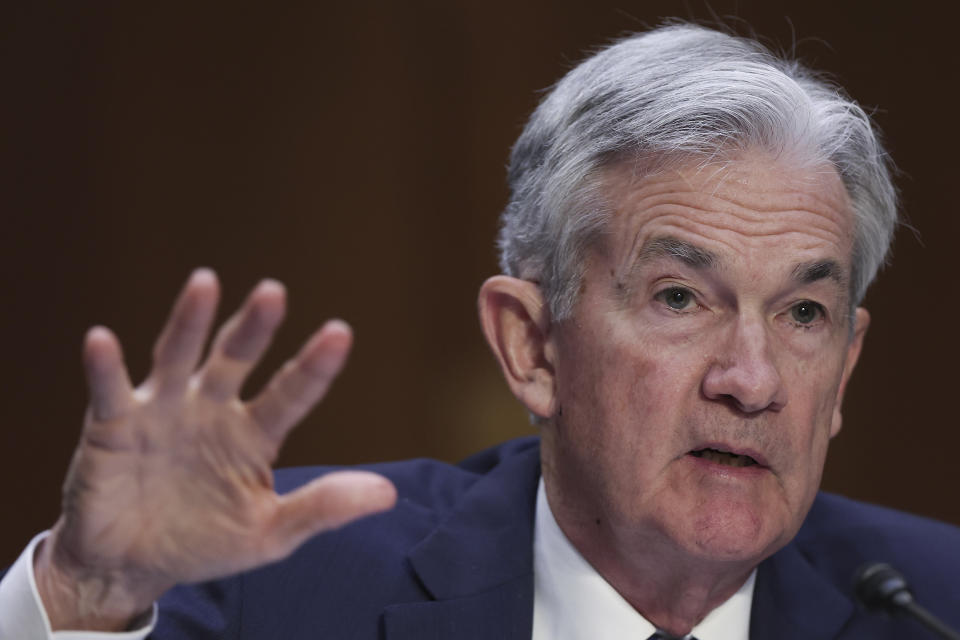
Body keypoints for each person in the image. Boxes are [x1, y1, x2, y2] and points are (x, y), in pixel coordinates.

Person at [1, 21, 958, 640]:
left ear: (845, 368)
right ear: (531, 347)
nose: (753, 381)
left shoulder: (932, 604)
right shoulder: (278, 593)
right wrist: (86, 599)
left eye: (802, 314)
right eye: (679, 297)